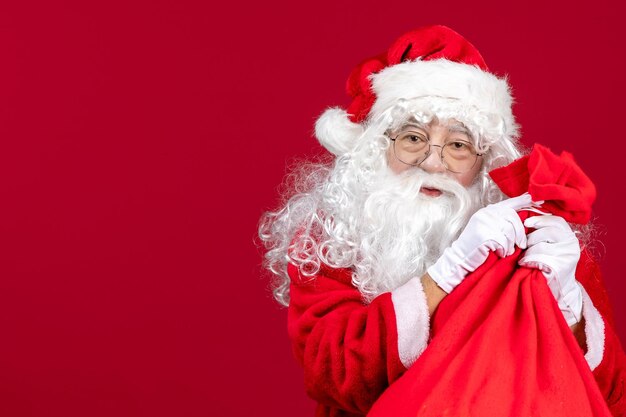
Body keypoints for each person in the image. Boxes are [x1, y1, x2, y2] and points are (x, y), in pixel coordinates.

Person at [258, 25, 626, 416]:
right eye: (413, 138)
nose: (433, 162)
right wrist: (445, 277)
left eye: (458, 145)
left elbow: (610, 397)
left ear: (485, 163)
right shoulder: (331, 236)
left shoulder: (538, 242)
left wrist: (568, 308)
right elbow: (332, 374)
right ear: (377, 147)